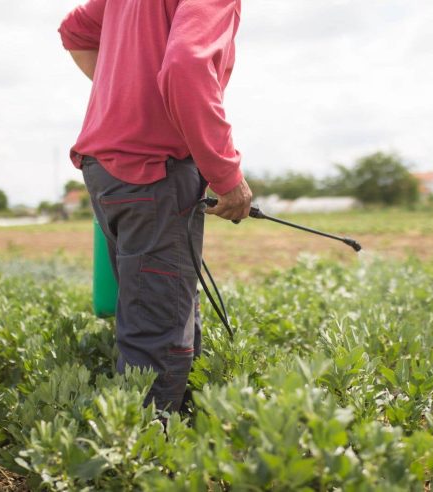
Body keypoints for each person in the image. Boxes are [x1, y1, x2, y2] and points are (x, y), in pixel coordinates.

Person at [58, 0, 252, 414]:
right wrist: (227, 176)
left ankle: (177, 429)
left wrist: (131, 94)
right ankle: (142, 462)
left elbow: (75, 33)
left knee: (165, 308)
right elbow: (185, 66)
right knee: (158, 332)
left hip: (106, 168)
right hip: (153, 169)